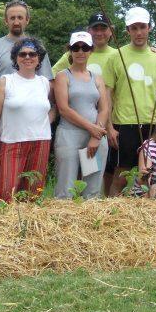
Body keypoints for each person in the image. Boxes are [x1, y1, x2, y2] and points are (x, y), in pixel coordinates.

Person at [0, 0, 54, 200]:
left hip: (36, 136)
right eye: (12, 17)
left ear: (27, 20)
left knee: (32, 190)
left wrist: (44, 121)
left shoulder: (39, 53)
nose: (16, 21)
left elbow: (49, 95)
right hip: (6, 127)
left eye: (20, 17)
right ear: (6, 21)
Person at [102, 7, 156, 195]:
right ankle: (115, 212)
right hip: (124, 123)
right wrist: (109, 126)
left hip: (152, 124)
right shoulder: (116, 57)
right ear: (128, 30)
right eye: (134, 28)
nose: (139, 32)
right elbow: (107, 94)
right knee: (122, 174)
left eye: (142, 27)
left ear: (149, 28)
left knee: (148, 174)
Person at [53, 13, 120, 193]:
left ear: (91, 50)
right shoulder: (62, 76)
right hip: (70, 135)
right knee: (66, 186)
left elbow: (104, 108)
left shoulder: (96, 78)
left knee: (91, 187)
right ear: (70, 50)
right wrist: (92, 129)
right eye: (76, 48)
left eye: (85, 48)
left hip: (95, 138)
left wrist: (95, 136)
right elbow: (64, 109)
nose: (80, 52)